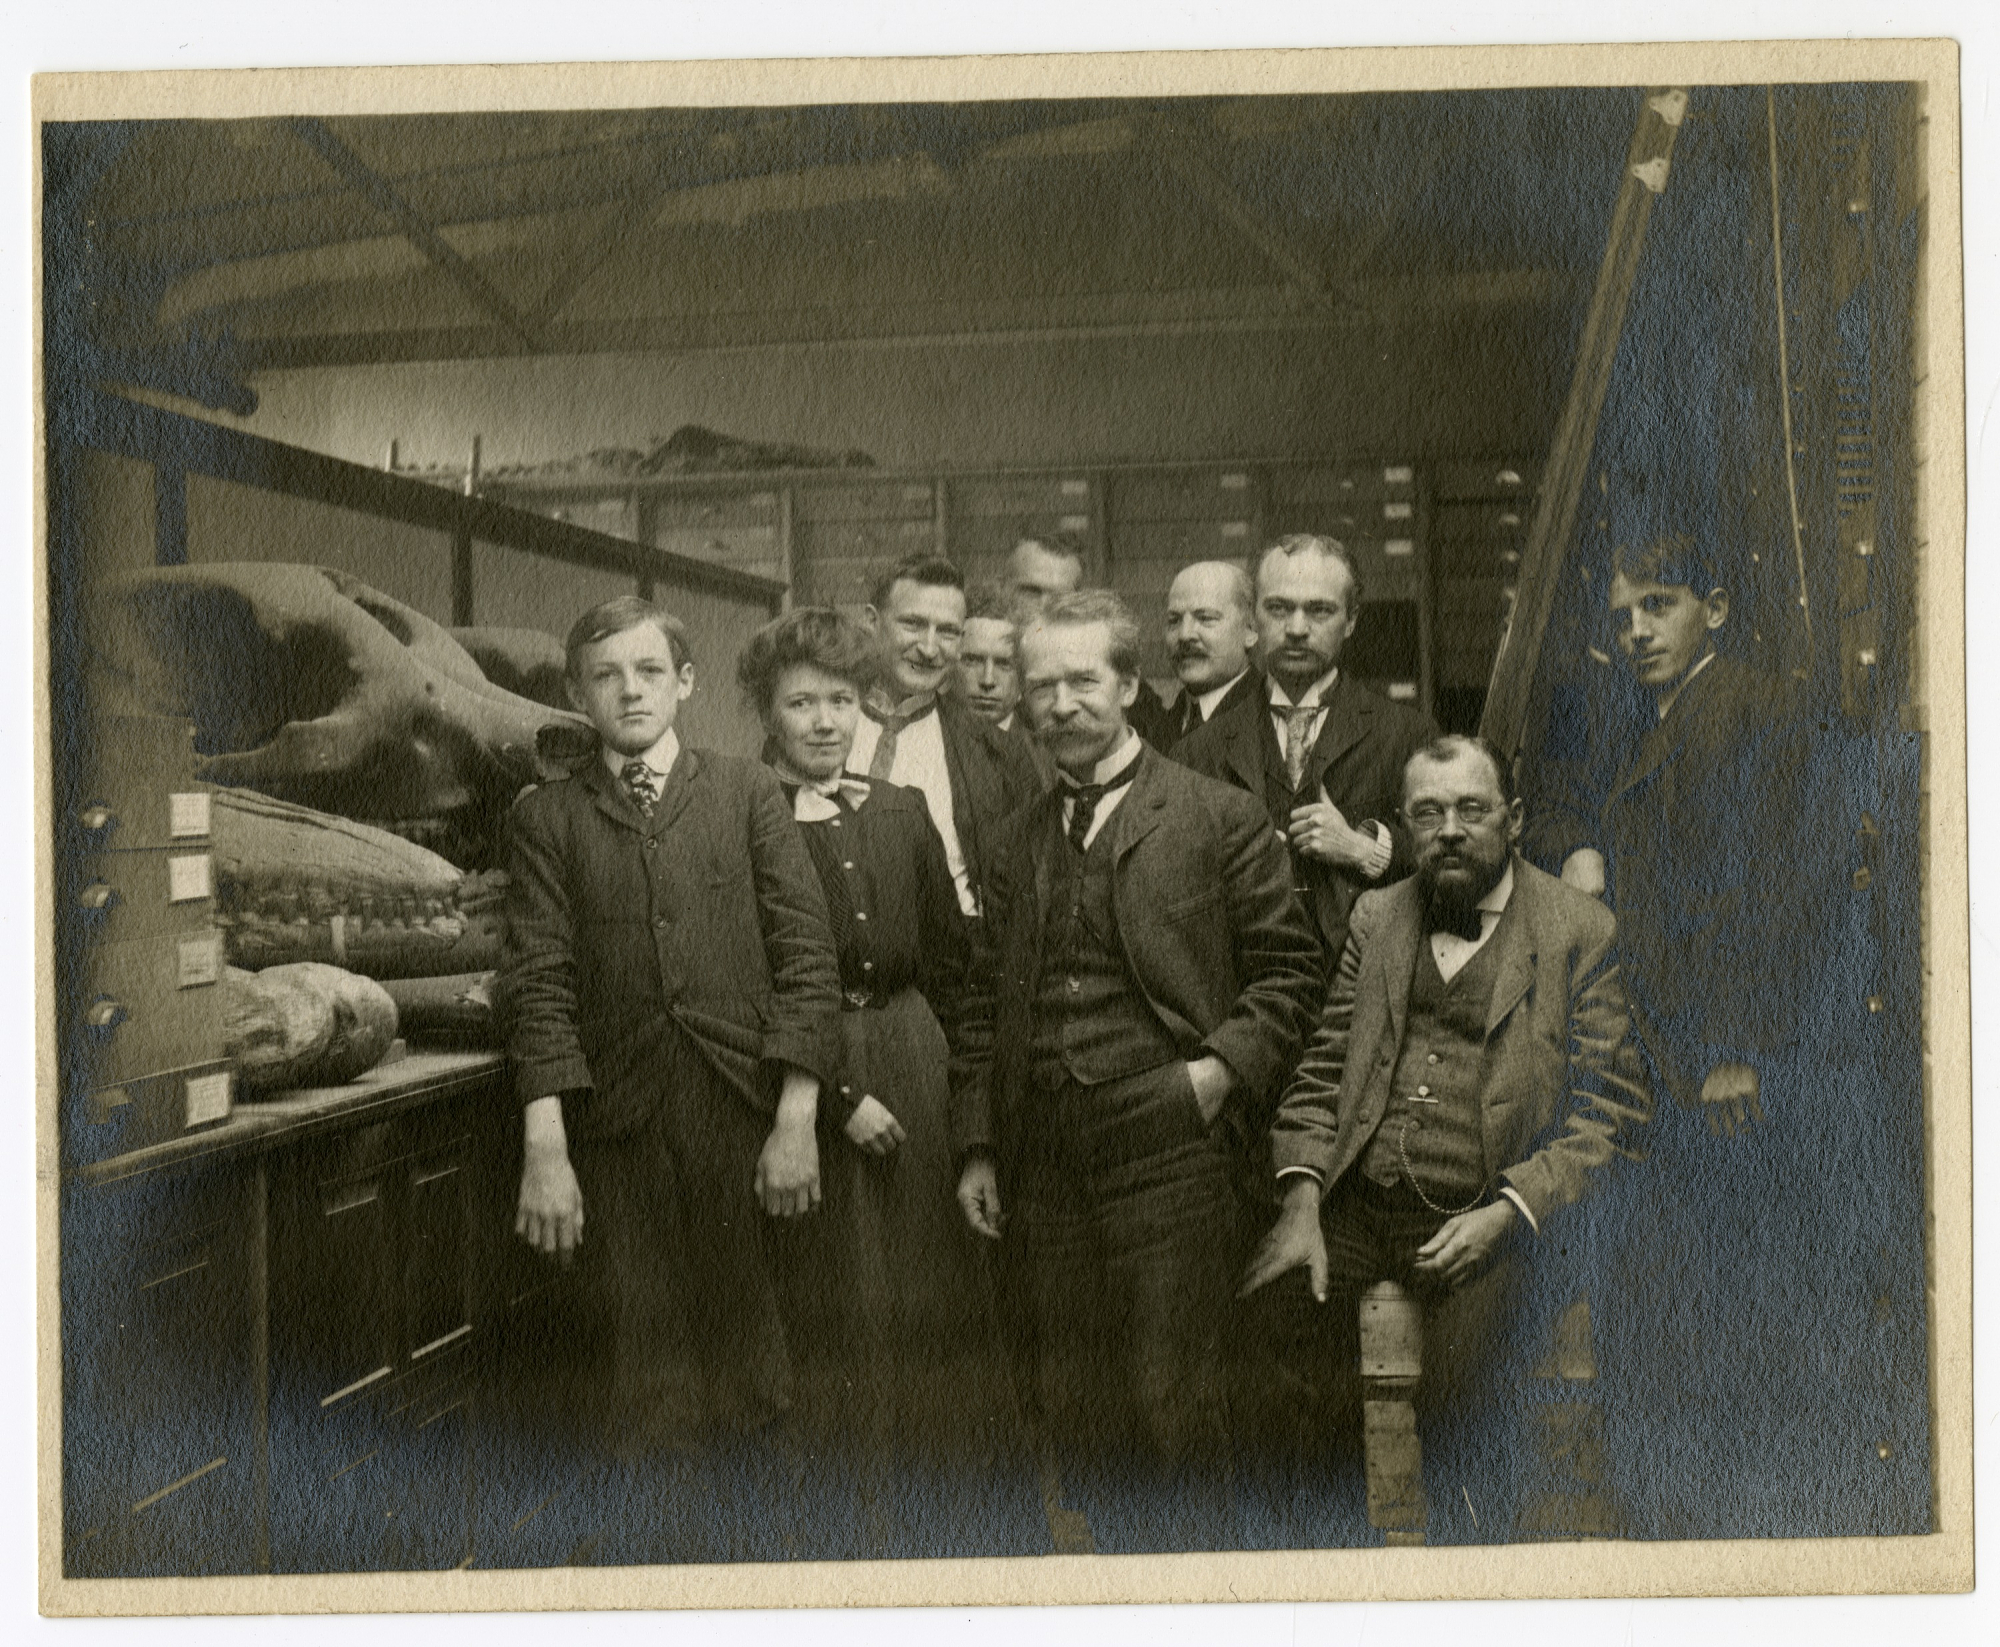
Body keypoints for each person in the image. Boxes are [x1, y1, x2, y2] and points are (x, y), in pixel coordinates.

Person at [951, 589, 1324, 1552]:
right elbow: (984, 1001)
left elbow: (1292, 976)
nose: (1063, 703)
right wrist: (980, 1145)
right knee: (1082, 1414)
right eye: (1045, 687)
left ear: (1126, 684)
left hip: (1172, 1154)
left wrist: (1214, 1076)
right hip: (1045, 1161)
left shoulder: (1218, 817)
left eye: (1085, 680)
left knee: (1173, 1404)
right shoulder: (1016, 838)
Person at [1238, 735, 1651, 1542]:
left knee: (1467, 1404)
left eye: (1472, 808)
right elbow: (1325, 1071)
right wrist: (1302, 1200)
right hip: (1363, 1200)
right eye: (1428, 812)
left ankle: (1467, 1589)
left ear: (1515, 818)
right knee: (1274, 1328)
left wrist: (1509, 1209)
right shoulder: (1378, 914)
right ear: (1404, 824)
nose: (1450, 829)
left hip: (1488, 1208)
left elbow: (1612, 1110)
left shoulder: (1578, 930)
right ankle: (1330, 1575)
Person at [1520, 534, 1848, 1538]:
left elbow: (1792, 891)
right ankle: (1661, 1508)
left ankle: (1739, 1519)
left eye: (1656, 607)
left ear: (1713, 605)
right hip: (1640, 1052)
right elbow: (1564, 791)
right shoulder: (1630, 715)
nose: (1635, 632)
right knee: (1655, 1293)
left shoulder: (1762, 709)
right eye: (1620, 617)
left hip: (1721, 1052)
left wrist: (1739, 1048)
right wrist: (1578, 846)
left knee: (1734, 1295)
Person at [500, 595, 841, 1559]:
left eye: (650, 671)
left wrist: (795, 1118)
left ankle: (769, 1584)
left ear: (686, 682)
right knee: (646, 1386)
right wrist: (547, 1148)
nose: (630, 691)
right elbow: (537, 983)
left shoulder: (744, 793)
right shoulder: (548, 819)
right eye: (605, 676)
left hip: (744, 1121)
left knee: (759, 1372)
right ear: (577, 693)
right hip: (618, 1132)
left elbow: (806, 961)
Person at [737, 607, 1037, 1559]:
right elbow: (745, 988)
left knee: (935, 1293)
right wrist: (831, 1097)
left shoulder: (902, 813)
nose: (824, 721)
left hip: (916, 1059)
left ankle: (955, 1534)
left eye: (840, 700)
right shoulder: (746, 816)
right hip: (807, 1078)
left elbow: (958, 978)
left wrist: (971, 1122)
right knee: (835, 1305)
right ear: (766, 712)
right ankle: (847, 1539)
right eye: (800, 703)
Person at [1177, 535, 1436, 963]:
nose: (1297, 629)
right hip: (1247, 989)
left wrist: (1362, 849)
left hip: (1365, 988)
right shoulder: (1197, 752)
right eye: (1278, 608)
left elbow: (1449, 861)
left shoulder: (1408, 736)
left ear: (1351, 621)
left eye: (1319, 610)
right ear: (1253, 619)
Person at [850, 554, 1042, 920]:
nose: (929, 648)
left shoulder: (996, 753)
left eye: (948, 632)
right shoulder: (820, 729)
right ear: (872, 622)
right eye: (912, 624)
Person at [1005, 529, 1179, 751]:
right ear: (1003, 589)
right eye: (1031, 591)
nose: (1044, 607)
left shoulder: (1121, 688)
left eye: (1060, 596)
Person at [1161, 559, 1262, 744]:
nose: (1184, 635)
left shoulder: (1269, 723)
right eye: (1174, 620)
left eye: (1205, 618)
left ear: (1250, 630)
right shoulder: (1160, 725)